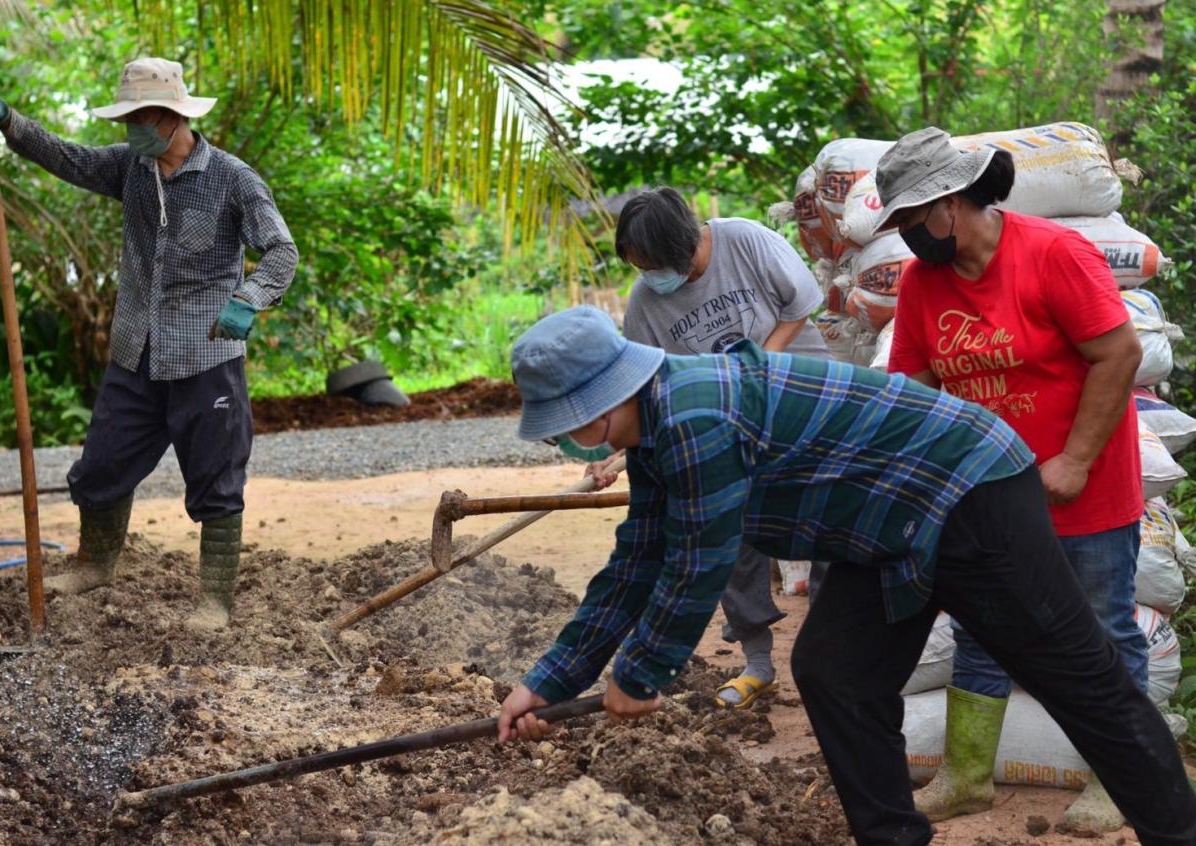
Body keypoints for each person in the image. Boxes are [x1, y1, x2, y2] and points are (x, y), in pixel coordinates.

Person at [495, 305, 1196, 846]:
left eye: (568, 426)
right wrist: (548, 681)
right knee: (836, 672)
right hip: (888, 524)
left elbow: (697, 563)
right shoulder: (655, 430)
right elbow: (635, 563)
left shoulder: (694, 415)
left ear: (604, 401)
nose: (567, 442)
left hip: (969, 490)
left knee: (1080, 679)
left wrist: (641, 672)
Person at [0, 57, 298, 630]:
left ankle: (214, 601)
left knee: (217, 479)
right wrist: (10, 123)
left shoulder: (233, 178)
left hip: (206, 357)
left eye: (141, 119)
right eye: (127, 120)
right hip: (136, 352)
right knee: (100, 466)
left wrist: (249, 299)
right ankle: (96, 564)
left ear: (173, 117)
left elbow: (281, 251)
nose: (131, 130)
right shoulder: (131, 169)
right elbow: (66, 157)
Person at [879, 126, 1149, 832]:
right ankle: (968, 777)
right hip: (987, 496)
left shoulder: (1055, 253)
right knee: (981, 629)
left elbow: (1119, 354)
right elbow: (912, 387)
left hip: (1083, 487)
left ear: (951, 203)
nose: (906, 235)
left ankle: (1123, 781)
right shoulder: (921, 283)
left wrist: (1075, 459)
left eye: (911, 218)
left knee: (1103, 629)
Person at [583, 187, 832, 710]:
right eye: (639, 267)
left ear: (678, 245)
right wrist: (618, 450)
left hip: (801, 399)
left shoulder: (745, 241)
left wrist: (752, 371)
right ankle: (758, 663)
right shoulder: (646, 303)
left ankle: (836, 655)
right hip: (727, 425)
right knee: (725, 528)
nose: (648, 276)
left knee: (828, 527)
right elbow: (649, 388)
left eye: (651, 264)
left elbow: (801, 306)